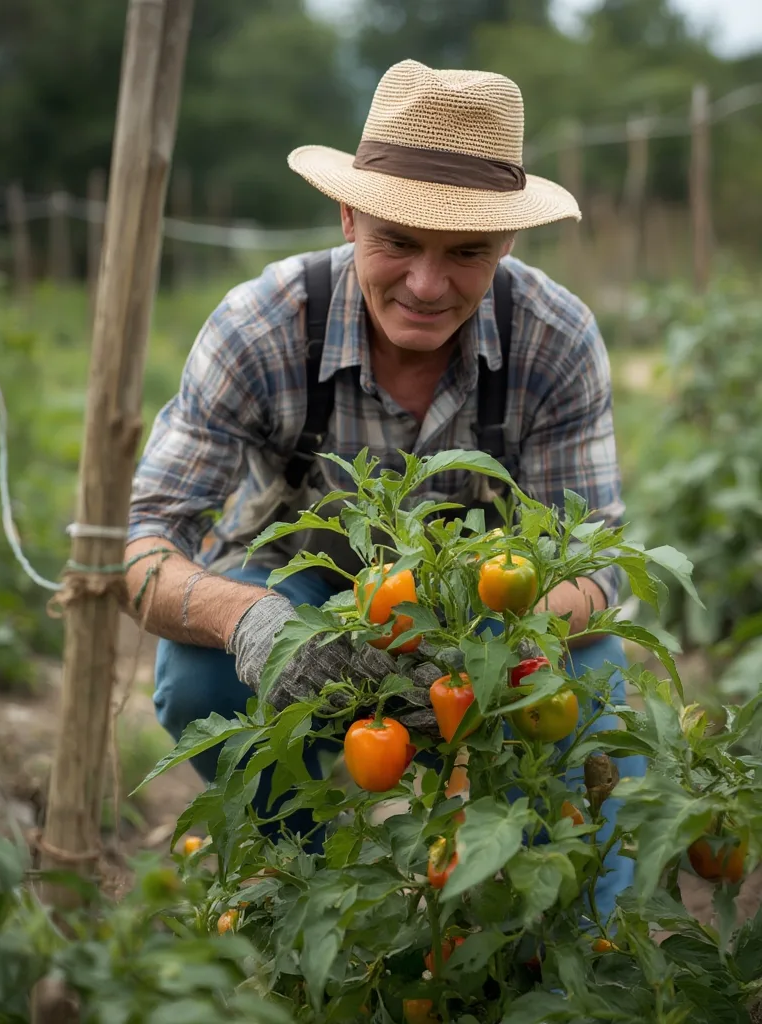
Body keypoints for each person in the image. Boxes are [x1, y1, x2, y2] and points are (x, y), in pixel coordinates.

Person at [125, 60, 643, 921]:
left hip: (486, 604)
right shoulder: (263, 327)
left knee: (586, 681)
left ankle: (579, 942)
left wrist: (491, 648)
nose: (428, 286)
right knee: (201, 680)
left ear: (506, 245)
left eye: (467, 252)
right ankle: (305, 896)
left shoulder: (554, 339)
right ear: (350, 214)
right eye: (398, 241)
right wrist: (245, 621)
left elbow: (596, 566)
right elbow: (145, 546)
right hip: (299, 579)